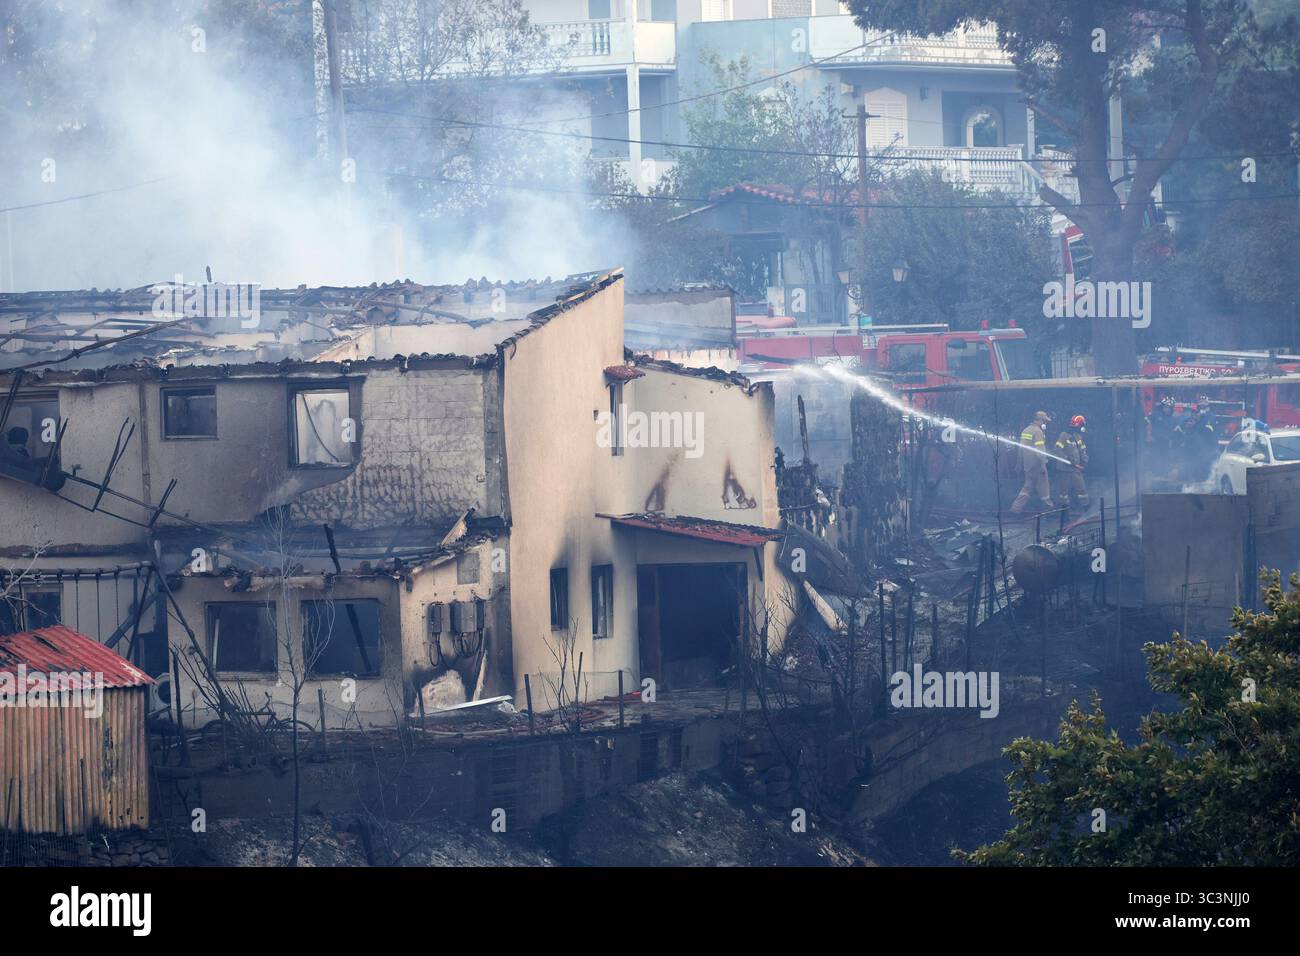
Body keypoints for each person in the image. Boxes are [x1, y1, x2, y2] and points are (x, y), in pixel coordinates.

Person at [1010, 410, 1053, 513]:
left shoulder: (1026, 430)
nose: (1046, 423)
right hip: (1038, 466)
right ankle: (1050, 510)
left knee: (1027, 489)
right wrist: (1043, 466)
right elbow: (1040, 451)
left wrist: (1019, 463)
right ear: (1041, 420)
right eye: (1045, 421)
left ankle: (1015, 509)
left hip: (1028, 466)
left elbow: (1021, 449)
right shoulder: (1038, 432)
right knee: (1044, 491)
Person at [1174, 398, 1219, 482]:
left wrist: (1195, 425)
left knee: (1203, 472)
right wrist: (1188, 425)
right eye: (1200, 407)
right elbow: (1184, 425)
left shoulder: (1211, 417)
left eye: (1203, 406)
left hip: (1207, 449)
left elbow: (1208, 431)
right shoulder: (1196, 419)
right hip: (1194, 450)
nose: (1201, 409)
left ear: (1208, 407)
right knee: (1191, 469)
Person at [1053, 415, 1089, 513]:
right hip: (1065, 470)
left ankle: (1086, 510)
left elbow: (1083, 450)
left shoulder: (1078, 437)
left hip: (1076, 469)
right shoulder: (1064, 435)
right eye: (1082, 425)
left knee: (1082, 490)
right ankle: (1064, 514)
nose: (1083, 427)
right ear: (1078, 425)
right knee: (1064, 493)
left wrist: (1084, 461)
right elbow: (1057, 450)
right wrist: (1068, 460)